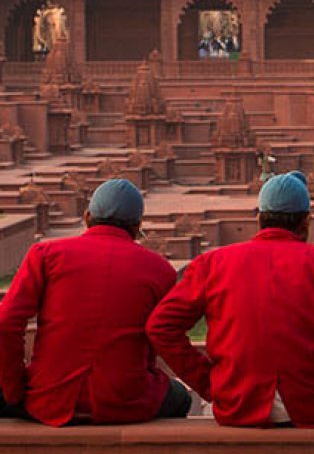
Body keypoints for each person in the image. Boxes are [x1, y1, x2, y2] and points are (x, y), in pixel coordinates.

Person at [147, 172, 314, 427]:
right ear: (306, 222)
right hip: (312, 404)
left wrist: (209, 383)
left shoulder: (213, 264)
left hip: (237, 403)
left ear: (259, 219)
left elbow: (161, 326)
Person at [0, 178, 190, 426]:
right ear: (137, 226)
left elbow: (5, 322)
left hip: (46, 399)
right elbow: (162, 337)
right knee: (180, 397)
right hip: (126, 402)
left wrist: (15, 389)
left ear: (87, 216)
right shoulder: (160, 270)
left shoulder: (46, 255)